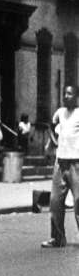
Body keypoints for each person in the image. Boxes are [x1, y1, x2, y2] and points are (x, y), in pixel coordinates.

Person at [42, 85, 79, 248]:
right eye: (64, 94)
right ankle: (57, 237)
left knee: (78, 201)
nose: (66, 96)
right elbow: (50, 126)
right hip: (60, 162)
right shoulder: (60, 112)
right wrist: (54, 142)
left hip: (76, 163)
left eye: (69, 94)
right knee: (55, 201)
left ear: (76, 96)